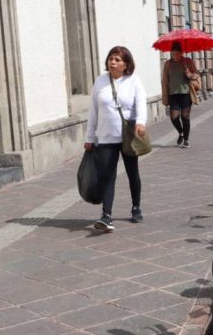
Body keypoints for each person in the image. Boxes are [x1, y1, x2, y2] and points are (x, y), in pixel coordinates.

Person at [84, 46, 147, 233]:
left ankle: (136, 207)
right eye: (111, 59)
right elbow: (93, 111)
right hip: (105, 136)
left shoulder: (133, 81)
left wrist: (141, 122)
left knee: (132, 172)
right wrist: (90, 137)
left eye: (118, 59)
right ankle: (106, 215)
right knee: (107, 176)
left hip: (127, 136)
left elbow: (141, 103)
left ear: (126, 63)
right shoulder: (100, 82)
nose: (113, 62)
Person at [161, 41, 198, 148]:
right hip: (173, 94)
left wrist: (189, 74)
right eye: (172, 54)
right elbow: (165, 80)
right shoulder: (168, 63)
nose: (175, 56)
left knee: (185, 117)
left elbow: (196, 74)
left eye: (177, 54)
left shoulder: (187, 61)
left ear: (181, 53)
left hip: (185, 93)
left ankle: (186, 139)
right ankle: (181, 133)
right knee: (173, 117)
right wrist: (165, 94)